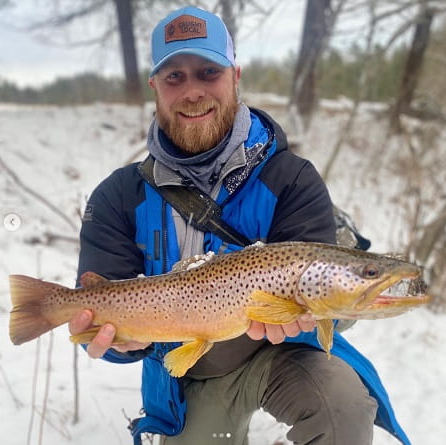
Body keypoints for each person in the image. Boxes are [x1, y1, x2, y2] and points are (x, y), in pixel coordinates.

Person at [69, 6, 409, 445]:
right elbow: (98, 313)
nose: (192, 91)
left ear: (235, 75)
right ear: (154, 86)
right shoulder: (117, 197)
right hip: (186, 371)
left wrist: (303, 317)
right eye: (175, 77)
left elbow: (327, 299)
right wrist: (117, 343)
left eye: (208, 72)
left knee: (342, 407)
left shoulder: (292, 178)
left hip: (283, 356)